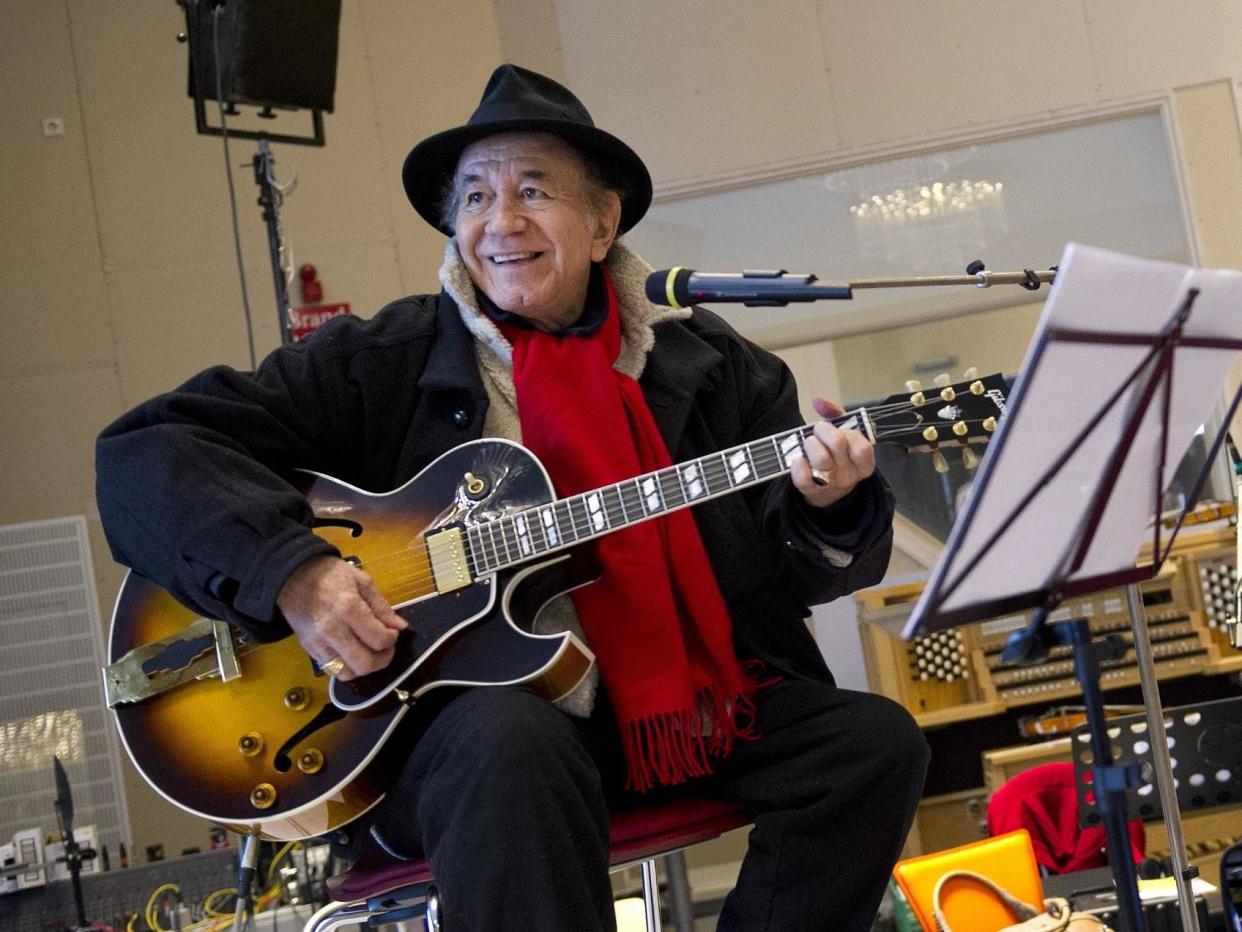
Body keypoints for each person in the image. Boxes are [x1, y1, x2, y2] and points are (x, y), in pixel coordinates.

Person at [96, 64, 929, 931]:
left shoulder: (714, 368)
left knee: (871, 749)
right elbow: (146, 452)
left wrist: (830, 506)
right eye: (476, 198)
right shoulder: (381, 361)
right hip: (454, 739)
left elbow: (791, 573)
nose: (502, 222)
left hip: (688, 708)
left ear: (603, 224)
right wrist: (293, 573)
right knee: (511, 744)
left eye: (534, 190)